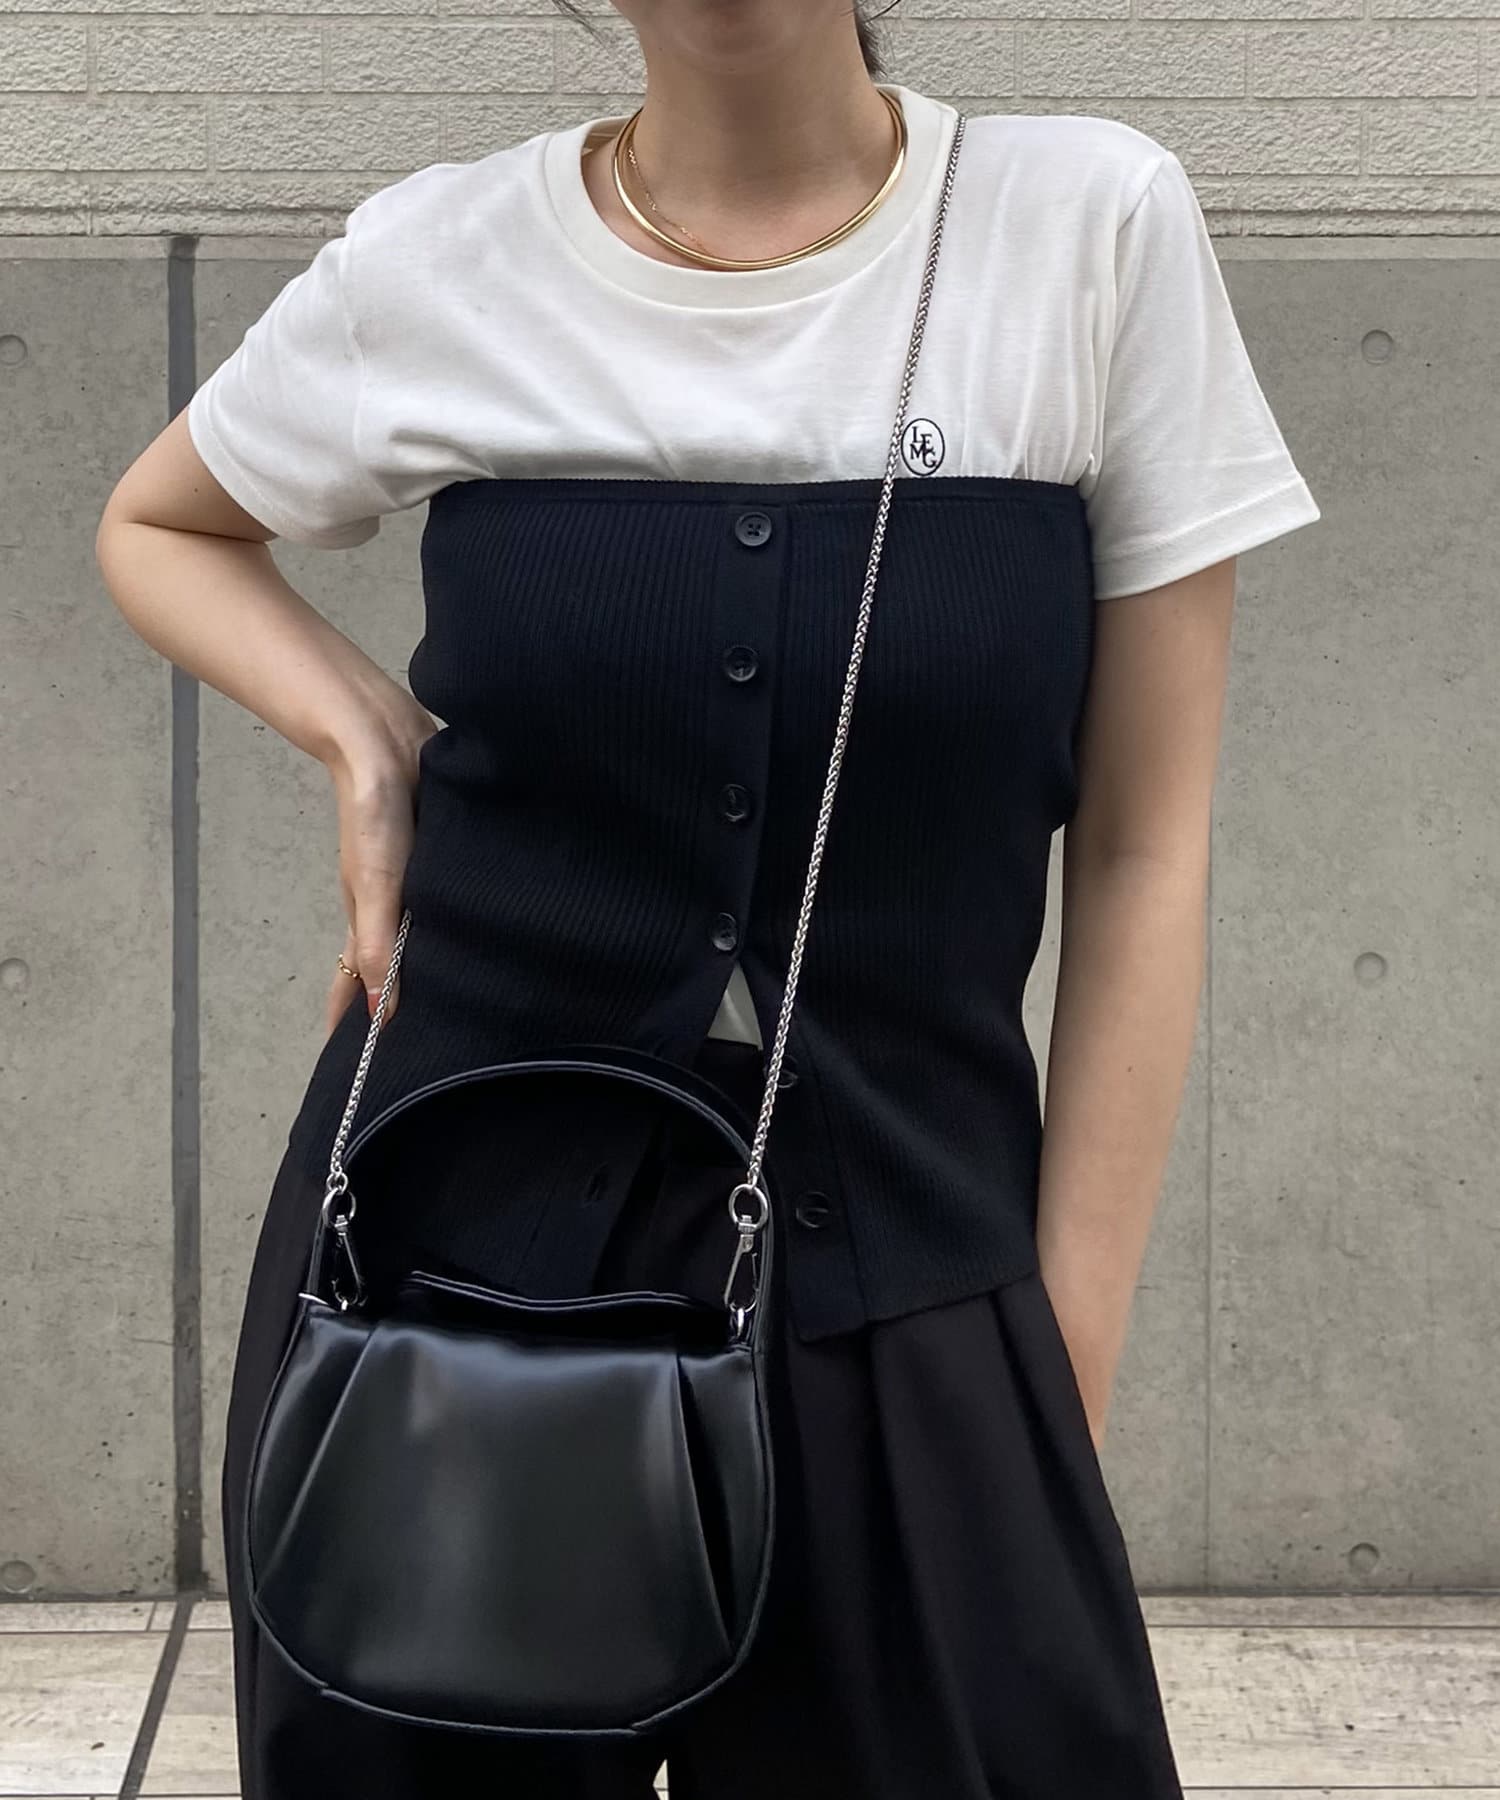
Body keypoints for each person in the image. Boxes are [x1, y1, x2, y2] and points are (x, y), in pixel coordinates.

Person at [94, 2, 1322, 1795]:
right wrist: (362, 734)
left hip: (912, 1263)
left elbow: (1145, 844)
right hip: (444, 1270)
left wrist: (1064, 1342)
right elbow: (160, 523)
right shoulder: (441, 252)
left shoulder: (1086, 227)